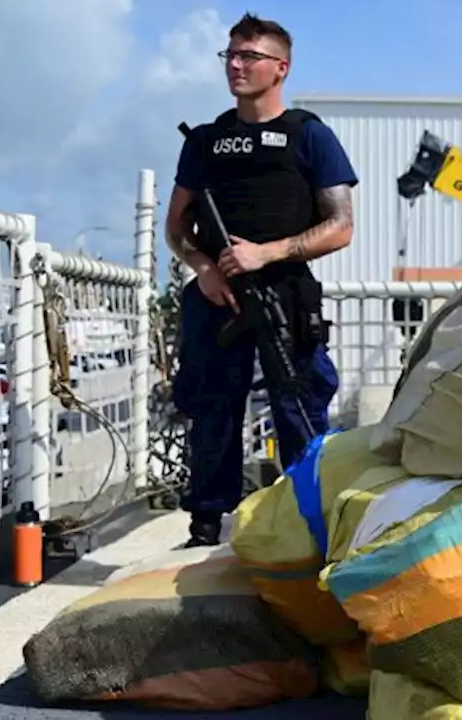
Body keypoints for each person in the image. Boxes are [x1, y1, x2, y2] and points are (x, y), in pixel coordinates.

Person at [164, 12, 358, 547]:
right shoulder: (204, 142)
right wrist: (203, 268)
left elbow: (341, 227)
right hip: (216, 294)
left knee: (300, 406)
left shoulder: (309, 136)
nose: (236, 65)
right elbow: (175, 227)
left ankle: (307, 526)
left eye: (249, 56)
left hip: (285, 296)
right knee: (210, 407)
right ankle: (205, 526)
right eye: (230, 55)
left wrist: (266, 253)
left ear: (281, 68)